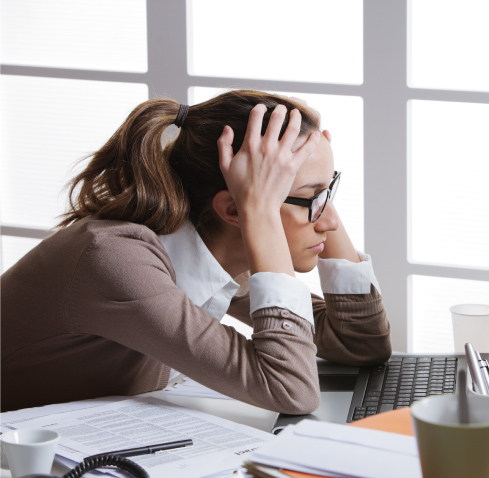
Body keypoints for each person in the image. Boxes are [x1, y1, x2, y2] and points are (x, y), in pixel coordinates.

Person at [1, 90, 391, 414]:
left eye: (330, 192)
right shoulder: (119, 261)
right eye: (311, 200)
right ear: (235, 210)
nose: (330, 222)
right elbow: (291, 389)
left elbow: (360, 343)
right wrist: (261, 213)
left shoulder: (213, 254)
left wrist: (312, 181)